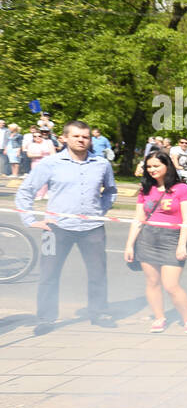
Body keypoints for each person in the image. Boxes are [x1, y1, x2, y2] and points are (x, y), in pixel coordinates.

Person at [14, 121, 117, 334]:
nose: (81, 140)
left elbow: (111, 190)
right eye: (76, 136)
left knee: (98, 272)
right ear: (65, 138)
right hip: (55, 228)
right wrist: (30, 219)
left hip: (92, 228)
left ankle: (98, 312)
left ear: (90, 140)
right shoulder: (50, 163)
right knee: (48, 273)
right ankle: (46, 318)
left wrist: (100, 210)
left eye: (85, 137)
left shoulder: (101, 164)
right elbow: (25, 191)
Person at [124, 150, 187, 333]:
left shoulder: (182, 189)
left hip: (171, 238)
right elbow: (138, 218)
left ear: (167, 166)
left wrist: (182, 245)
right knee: (152, 282)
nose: (152, 170)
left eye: (156, 166)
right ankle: (159, 318)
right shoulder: (146, 189)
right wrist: (129, 244)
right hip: (148, 237)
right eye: (149, 166)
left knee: (171, 285)